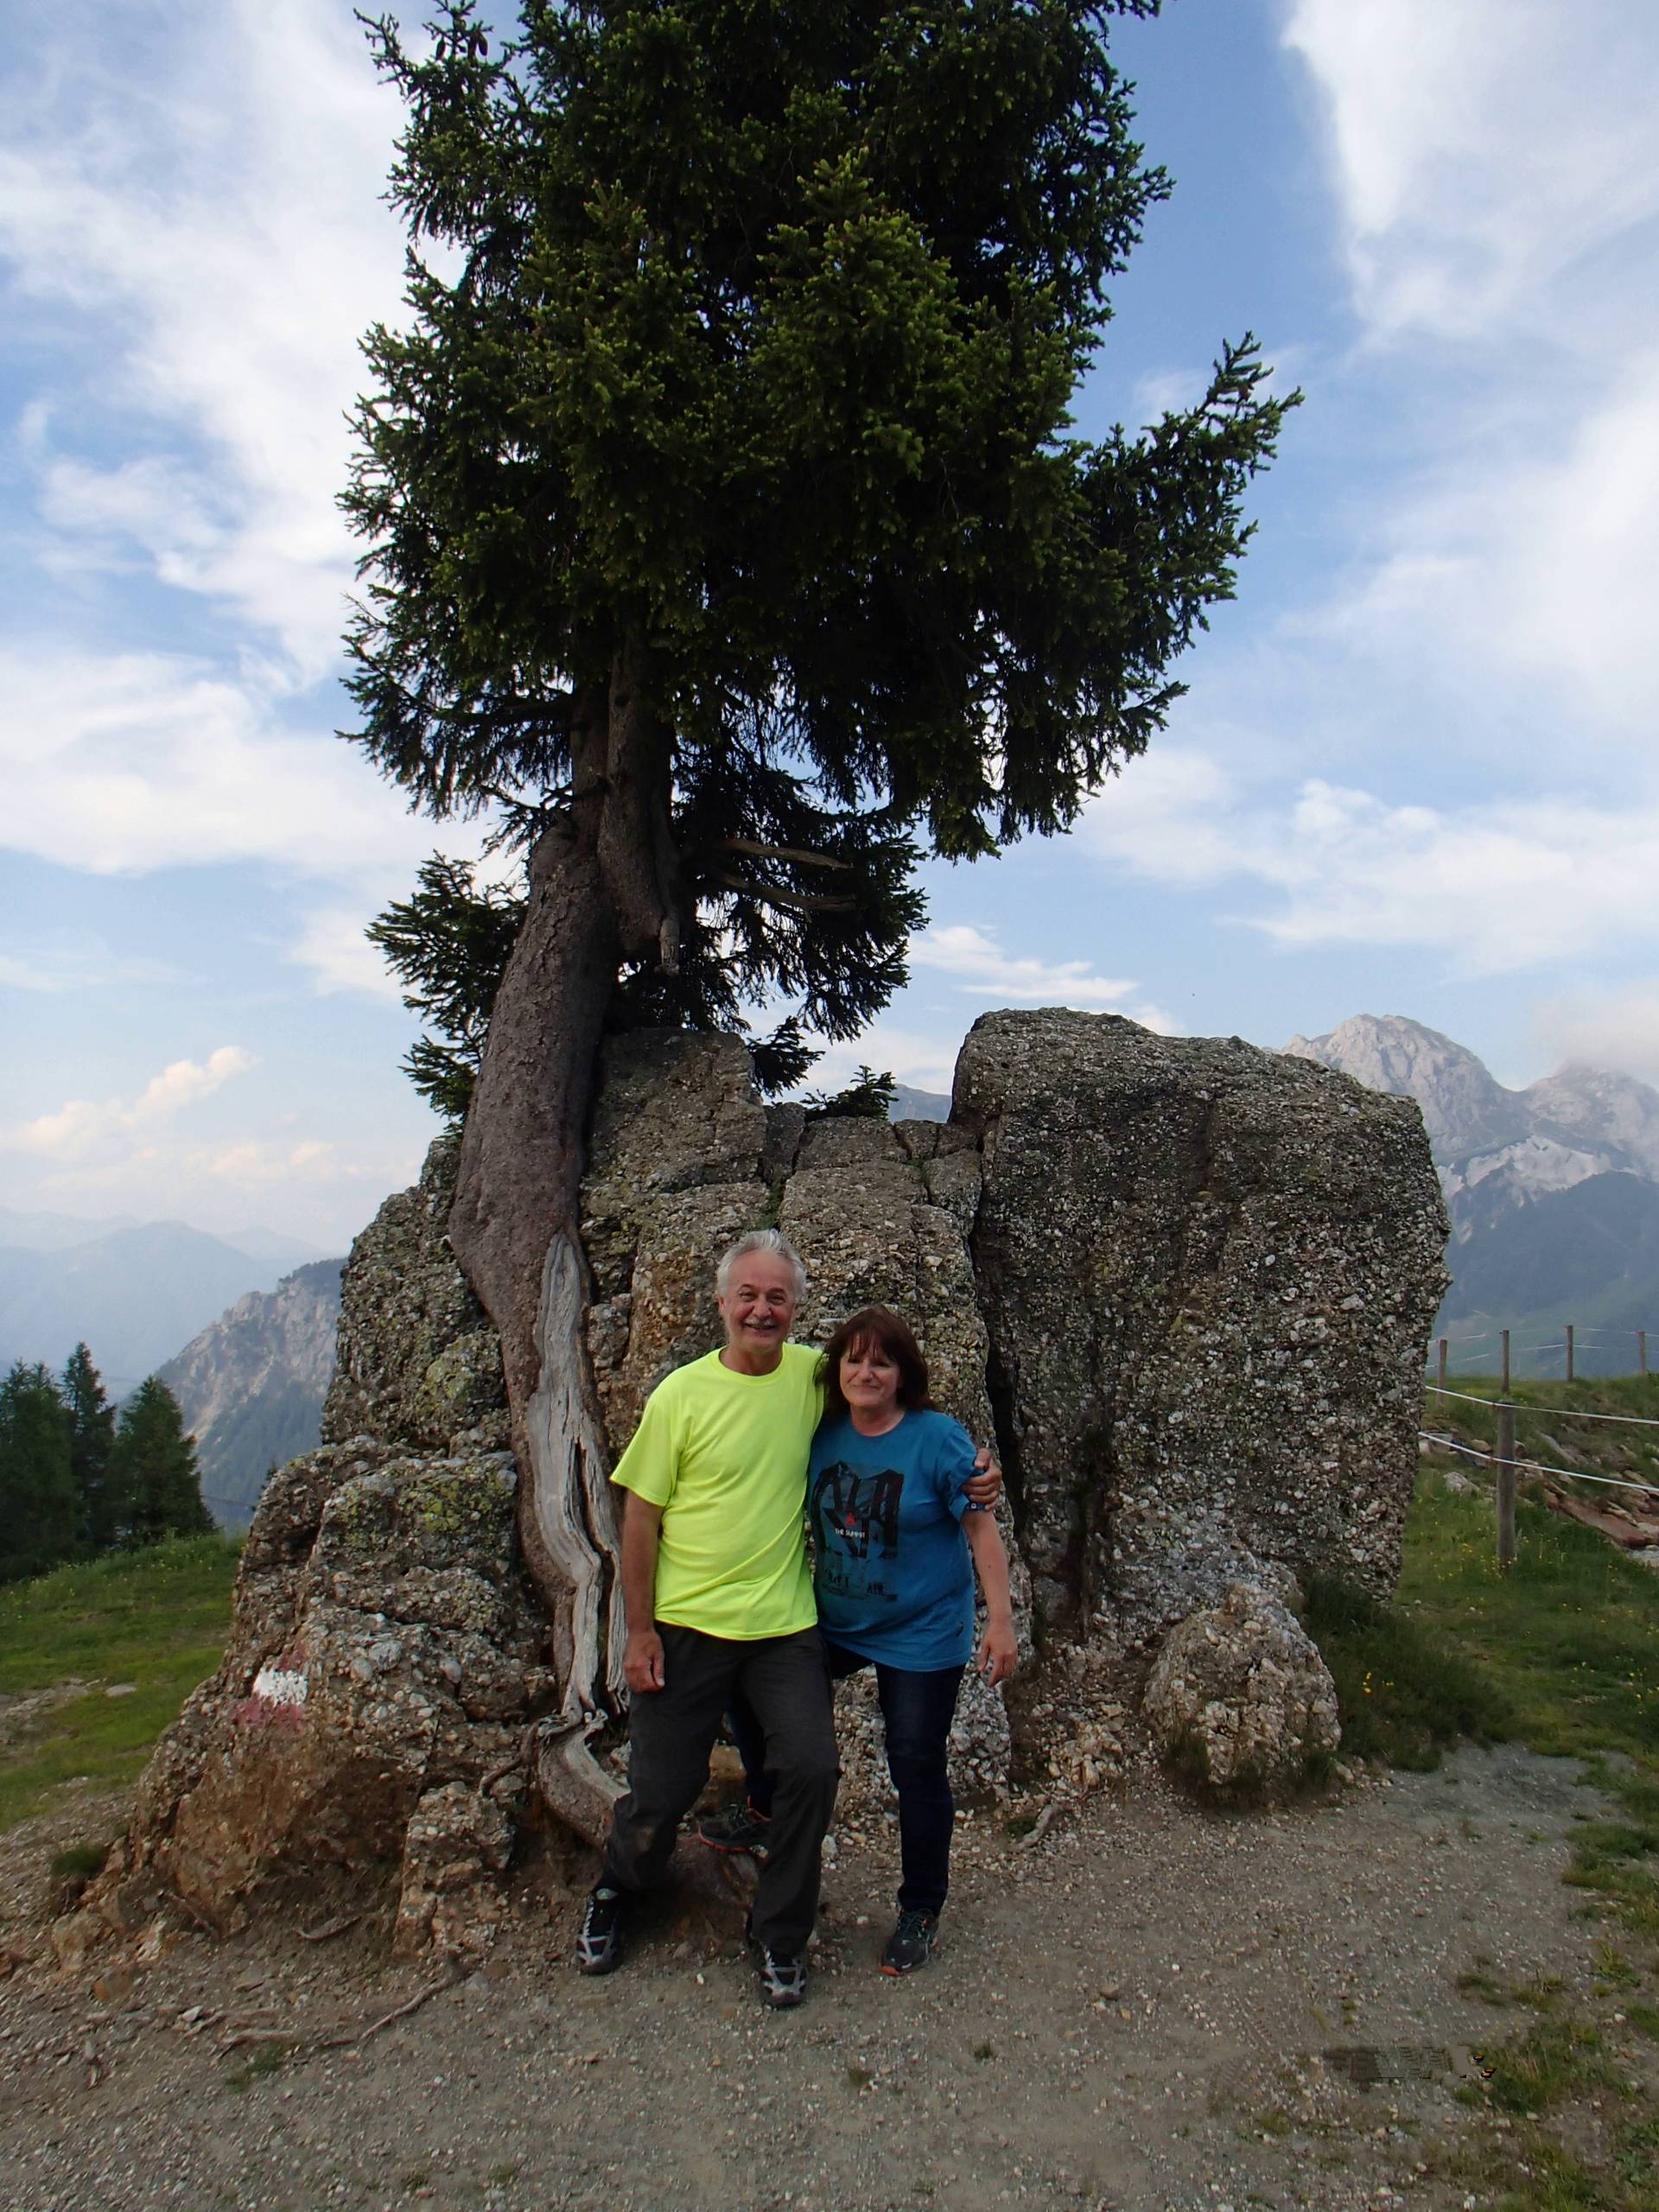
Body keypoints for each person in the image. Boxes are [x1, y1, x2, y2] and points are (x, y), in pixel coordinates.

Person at [575, 1233, 998, 2008]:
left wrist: (974, 1477)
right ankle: (617, 1890)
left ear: (796, 1310)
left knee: (812, 1768)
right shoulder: (680, 1396)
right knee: (662, 1788)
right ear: (721, 1303)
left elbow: (897, 1408)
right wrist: (638, 1631)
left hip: (783, 1626)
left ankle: (780, 1935)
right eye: (748, 1295)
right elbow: (640, 1517)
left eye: (777, 1298)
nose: (761, 1310)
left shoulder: (817, 1376)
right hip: (688, 1623)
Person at [702, 1305, 1017, 1977]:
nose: (866, 1371)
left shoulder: (937, 1439)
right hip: (836, 1619)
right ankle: (763, 1803)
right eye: (854, 1359)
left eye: (882, 1360)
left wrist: (1001, 1621)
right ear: (836, 1370)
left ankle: (920, 1907)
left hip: (921, 1631)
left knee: (915, 1763)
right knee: (748, 1679)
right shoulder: (823, 1432)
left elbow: (980, 1528)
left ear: (903, 1373)